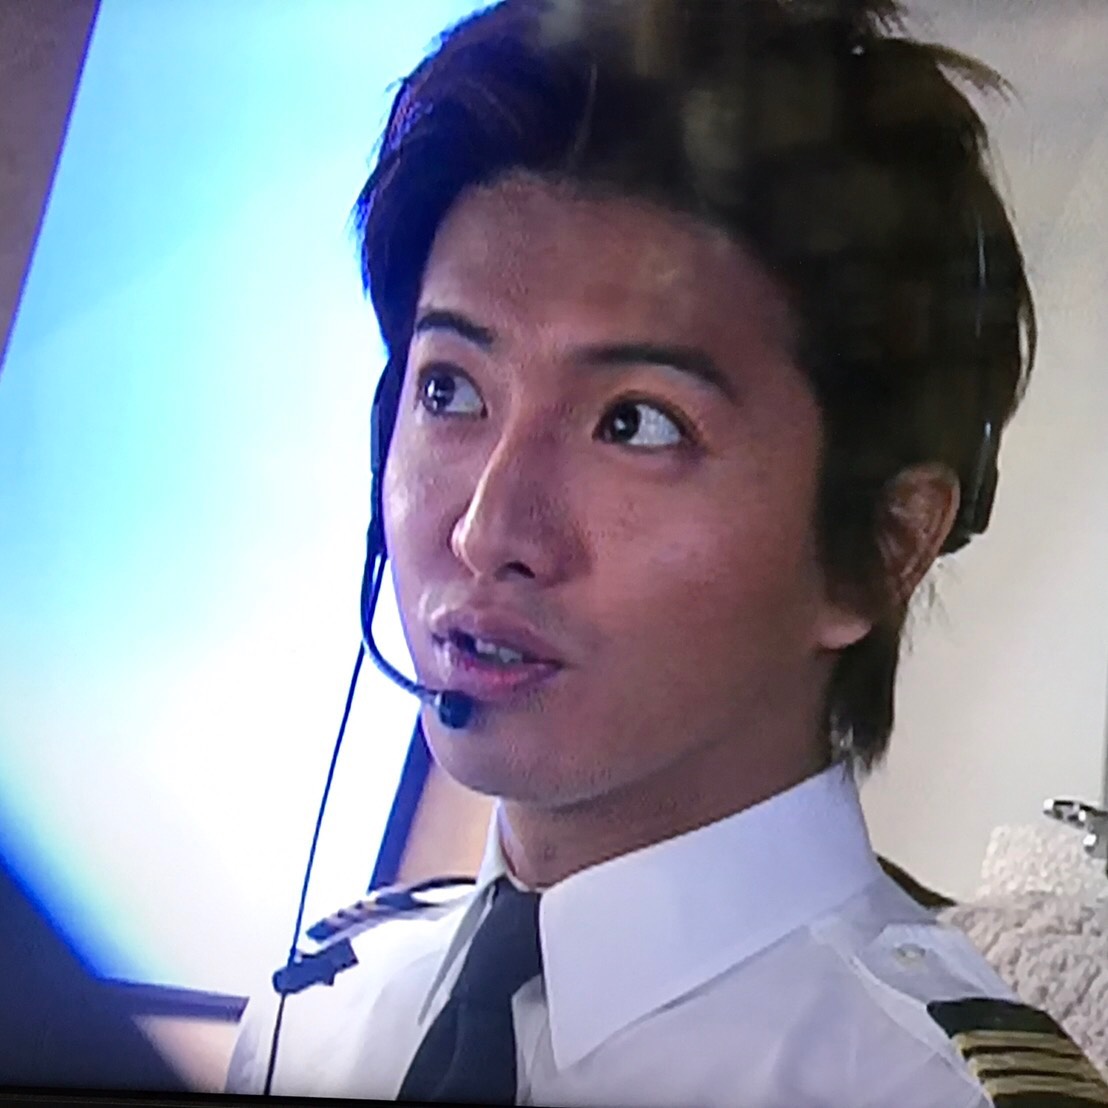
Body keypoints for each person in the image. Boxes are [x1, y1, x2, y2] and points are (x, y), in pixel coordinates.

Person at [228, 1, 1108, 1104]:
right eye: (449, 389)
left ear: (881, 549)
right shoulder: (307, 1016)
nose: (485, 531)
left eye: (636, 423)